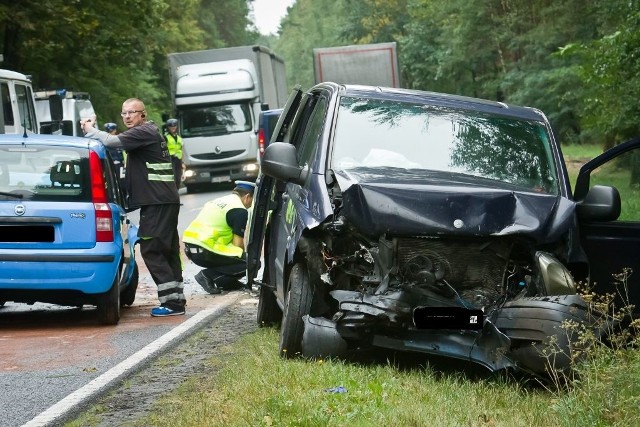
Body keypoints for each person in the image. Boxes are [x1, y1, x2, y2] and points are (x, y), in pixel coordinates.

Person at [80, 99, 185, 317]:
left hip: (157, 202)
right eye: (124, 113)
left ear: (143, 115)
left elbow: (111, 142)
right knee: (166, 249)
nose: (127, 117)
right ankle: (176, 299)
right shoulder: (146, 132)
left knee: (152, 248)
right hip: (161, 200)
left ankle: (172, 304)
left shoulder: (143, 132)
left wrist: (91, 130)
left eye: (132, 112)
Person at [183, 181, 255, 294]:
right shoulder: (239, 210)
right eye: (252, 201)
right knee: (253, 261)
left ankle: (224, 282)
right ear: (247, 197)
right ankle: (207, 275)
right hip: (206, 250)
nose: (250, 205)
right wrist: (243, 260)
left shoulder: (218, 201)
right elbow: (238, 245)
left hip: (192, 249)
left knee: (239, 261)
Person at [164, 118, 183, 189]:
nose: (173, 128)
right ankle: (173, 193)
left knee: (178, 178)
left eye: (174, 126)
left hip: (178, 160)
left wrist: (183, 162)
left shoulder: (179, 137)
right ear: (168, 128)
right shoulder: (165, 137)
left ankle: (176, 192)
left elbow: (181, 149)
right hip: (170, 159)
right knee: (173, 178)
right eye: (171, 127)